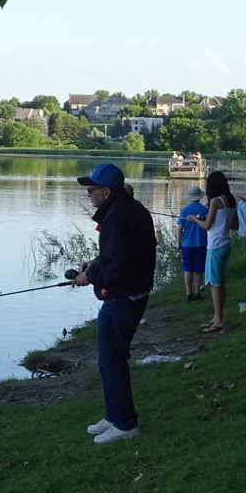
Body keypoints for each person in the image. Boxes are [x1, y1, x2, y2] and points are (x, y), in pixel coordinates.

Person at [73, 162, 157, 444]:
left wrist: (90, 276)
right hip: (129, 293)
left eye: (92, 189)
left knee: (112, 360)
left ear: (107, 191)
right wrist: (96, 263)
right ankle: (113, 416)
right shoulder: (128, 209)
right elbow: (123, 253)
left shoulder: (118, 216)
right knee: (109, 358)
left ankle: (125, 424)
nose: (88, 194)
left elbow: (120, 266)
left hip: (124, 297)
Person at [189, 170, 237, 333]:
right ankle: (217, 317)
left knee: (214, 283)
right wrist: (218, 222)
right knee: (220, 281)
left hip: (215, 245)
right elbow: (235, 225)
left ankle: (219, 319)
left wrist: (194, 219)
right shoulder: (230, 200)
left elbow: (207, 226)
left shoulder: (216, 201)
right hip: (226, 244)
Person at [176, 184, 208, 301]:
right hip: (201, 243)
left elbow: (180, 229)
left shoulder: (184, 210)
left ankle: (189, 293)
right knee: (199, 269)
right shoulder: (205, 210)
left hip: (187, 244)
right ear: (199, 197)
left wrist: (178, 243)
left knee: (188, 269)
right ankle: (197, 292)